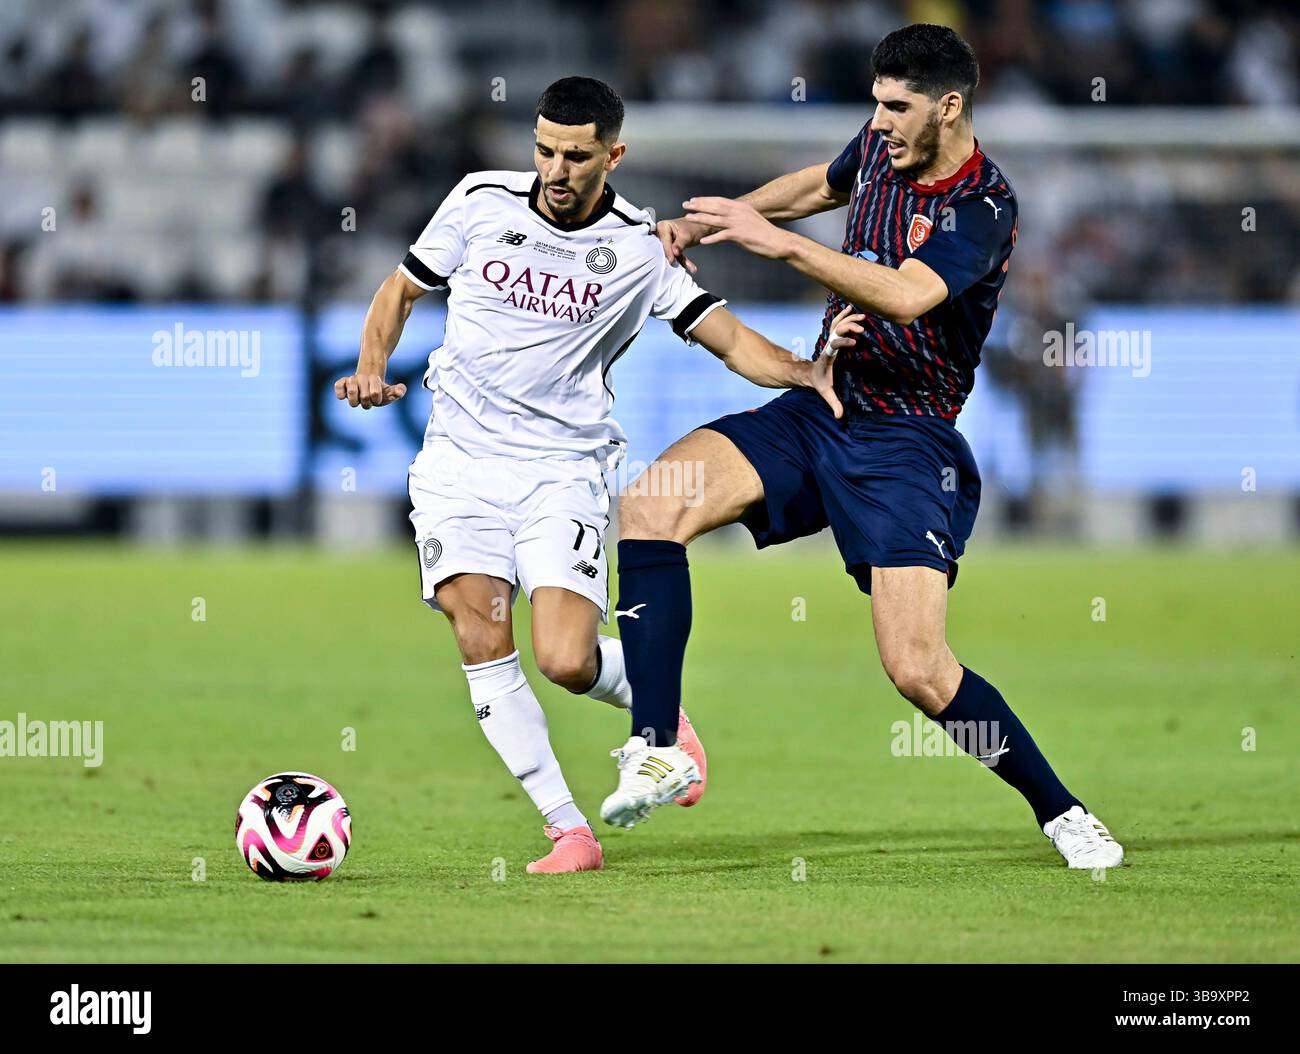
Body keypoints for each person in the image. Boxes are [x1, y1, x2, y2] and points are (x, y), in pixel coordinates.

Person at [601, 26, 1124, 870]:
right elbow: (821, 183)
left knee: (916, 667)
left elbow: (910, 296)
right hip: (823, 400)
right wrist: (711, 222)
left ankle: (1061, 810)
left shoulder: (984, 207)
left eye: (896, 106)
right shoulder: (883, 146)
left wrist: (780, 245)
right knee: (651, 503)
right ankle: (658, 744)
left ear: (948, 108)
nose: (878, 121)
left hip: (909, 440)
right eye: (875, 104)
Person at [335, 77, 844, 873]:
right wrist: (372, 366)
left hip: (561, 469)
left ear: (614, 154)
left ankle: (663, 718)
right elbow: (402, 288)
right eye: (544, 150)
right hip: (457, 466)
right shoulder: (478, 201)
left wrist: (803, 370)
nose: (556, 169)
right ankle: (568, 829)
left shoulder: (641, 249)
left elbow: (729, 339)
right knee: (479, 632)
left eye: (576, 155)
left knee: (566, 659)